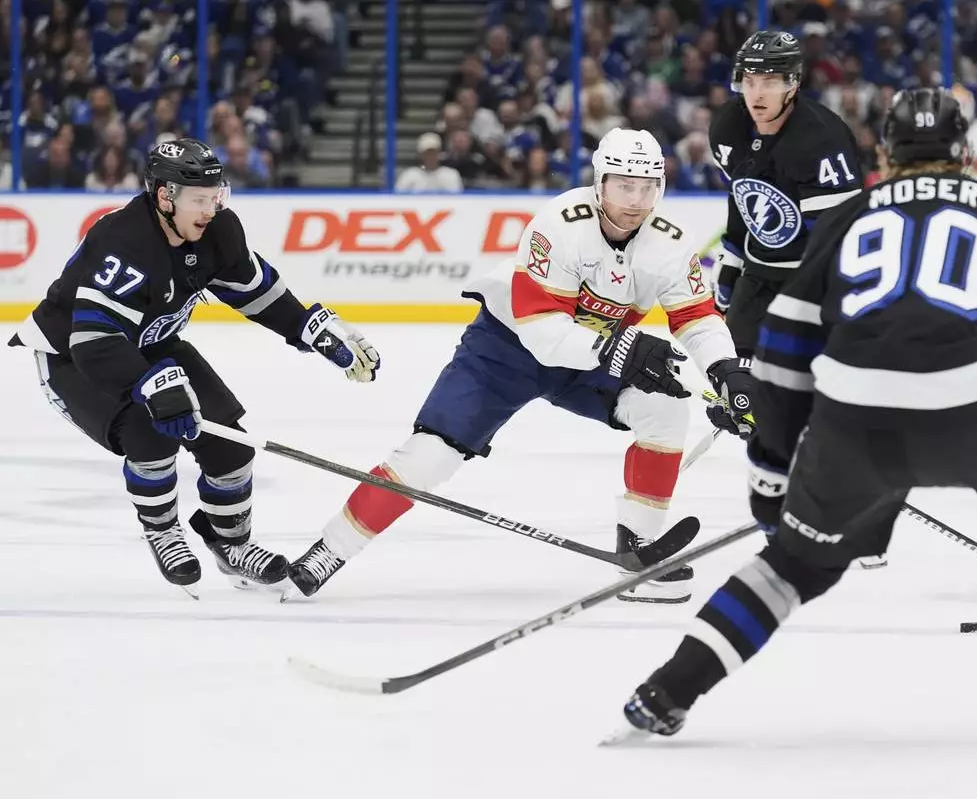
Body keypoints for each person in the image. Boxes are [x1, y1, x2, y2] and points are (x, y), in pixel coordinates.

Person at [618, 89, 977, 751]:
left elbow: (784, 348)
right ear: (965, 152)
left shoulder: (850, 214)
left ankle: (666, 693)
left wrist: (772, 476)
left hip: (854, 417)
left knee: (792, 564)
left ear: (883, 152)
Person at [286, 129, 755, 605]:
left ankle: (637, 547)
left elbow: (696, 316)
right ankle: (331, 549)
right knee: (429, 457)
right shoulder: (559, 224)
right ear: (599, 183)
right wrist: (625, 349)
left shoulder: (670, 242)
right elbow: (543, 332)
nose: (636, 200)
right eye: (623, 186)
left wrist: (727, 370)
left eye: (648, 187)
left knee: (666, 409)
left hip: (590, 356)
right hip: (505, 350)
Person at [7, 138, 382, 595]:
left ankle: (232, 544)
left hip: (153, 342)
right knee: (148, 435)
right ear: (165, 196)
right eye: (199, 200)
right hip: (75, 357)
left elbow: (253, 289)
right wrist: (147, 384)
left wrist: (307, 327)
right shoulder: (122, 241)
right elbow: (93, 339)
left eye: (216, 196)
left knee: (231, 445)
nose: (211, 209)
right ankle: (163, 531)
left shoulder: (218, 230)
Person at [711, 30, 886, 572]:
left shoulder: (822, 141)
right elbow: (745, 201)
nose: (756, 92)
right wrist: (733, 261)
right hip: (760, 278)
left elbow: (846, 233)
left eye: (770, 81)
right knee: (740, 391)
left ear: (792, 84)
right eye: (749, 79)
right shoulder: (728, 126)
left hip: (819, 283)